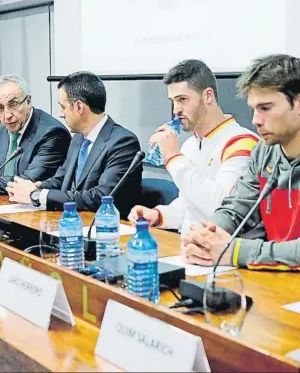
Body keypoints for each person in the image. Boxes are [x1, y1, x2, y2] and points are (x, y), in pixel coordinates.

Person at [183, 54, 300, 270]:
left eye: (265, 108)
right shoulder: (263, 153)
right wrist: (206, 237)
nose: (255, 120)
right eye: (253, 109)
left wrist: (235, 251)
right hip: (277, 282)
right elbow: (236, 208)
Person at [128, 59, 259, 233]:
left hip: (220, 252)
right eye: (173, 101)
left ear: (208, 96)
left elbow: (221, 208)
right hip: (189, 248)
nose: (176, 109)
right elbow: (189, 206)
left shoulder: (242, 142)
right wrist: (159, 215)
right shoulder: (190, 144)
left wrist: (174, 158)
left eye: (182, 99)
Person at [6, 71, 142, 217]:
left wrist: (38, 195)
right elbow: (61, 178)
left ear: (79, 107)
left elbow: (101, 197)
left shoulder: (123, 143)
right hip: (73, 221)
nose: (61, 114)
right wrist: (34, 187)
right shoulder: (78, 138)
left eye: (63, 107)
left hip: (106, 229)